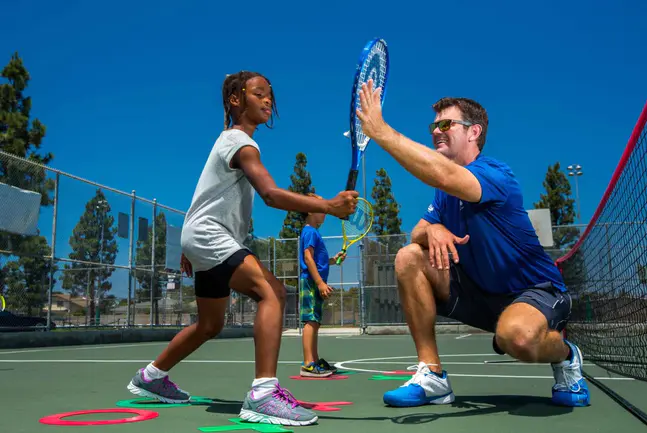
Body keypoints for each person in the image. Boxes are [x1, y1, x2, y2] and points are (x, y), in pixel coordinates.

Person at [126, 71, 359, 426]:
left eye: (271, 96)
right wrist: (328, 205)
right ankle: (263, 395)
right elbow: (270, 194)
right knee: (273, 292)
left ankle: (151, 377)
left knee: (209, 324)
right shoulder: (240, 142)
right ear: (236, 100)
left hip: (203, 236)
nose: (268, 101)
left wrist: (190, 245)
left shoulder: (226, 142)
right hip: (210, 236)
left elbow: (203, 195)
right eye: (259, 94)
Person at [354, 80, 590, 408]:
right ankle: (432, 375)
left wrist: (381, 131)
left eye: (445, 124)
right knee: (409, 257)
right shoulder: (444, 193)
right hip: (479, 295)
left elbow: (444, 176)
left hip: (534, 291)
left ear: (473, 132)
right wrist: (432, 229)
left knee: (517, 338)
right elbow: (416, 233)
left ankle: (566, 356)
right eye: (434, 125)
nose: (436, 130)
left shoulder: (495, 173)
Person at [298, 193, 346, 377]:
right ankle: (308, 364)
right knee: (310, 321)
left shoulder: (314, 232)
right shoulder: (310, 231)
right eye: (321, 208)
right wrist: (319, 282)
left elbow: (319, 260)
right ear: (310, 210)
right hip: (310, 281)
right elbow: (308, 257)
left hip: (314, 281)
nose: (325, 212)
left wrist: (333, 260)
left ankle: (314, 360)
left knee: (315, 321)